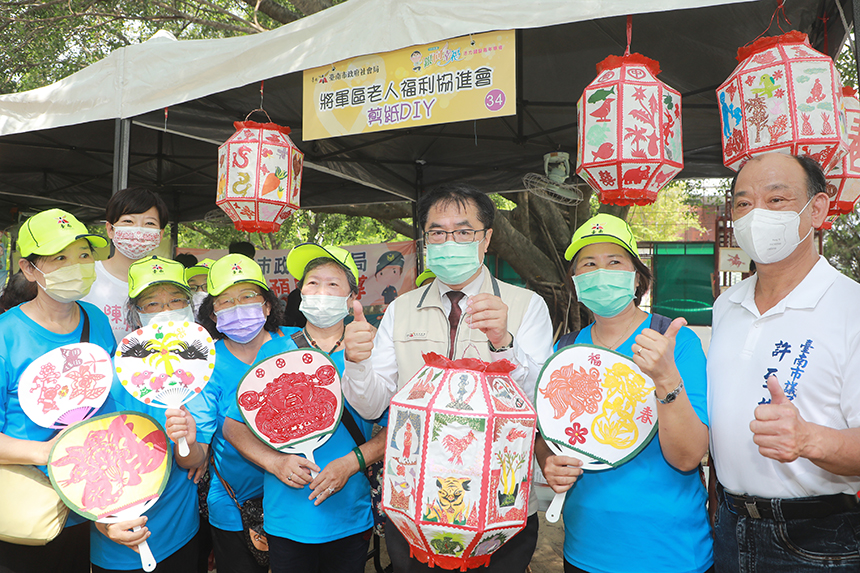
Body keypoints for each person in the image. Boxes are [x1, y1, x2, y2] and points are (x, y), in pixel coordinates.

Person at [342, 183, 553, 573]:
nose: (448, 240)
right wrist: (356, 364)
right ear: (425, 240)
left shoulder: (526, 306)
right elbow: (373, 405)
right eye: (437, 232)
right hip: (415, 510)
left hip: (499, 512)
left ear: (486, 238)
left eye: (463, 231)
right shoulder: (400, 310)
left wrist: (504, 342)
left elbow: (541, 406)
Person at [708, 152, 860, 572]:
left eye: (776, 200)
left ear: (818, 209)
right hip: (729, 527)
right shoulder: (726, 306)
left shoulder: (852, 307)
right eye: (743, 203)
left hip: (819, 539)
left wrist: (810, 439)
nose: (756, 214)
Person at [536, 213, 712, 573]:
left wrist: (664, 377)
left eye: (614, 261)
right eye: (588, 263)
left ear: (636, 276)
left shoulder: (674, 343)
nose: (601, 272)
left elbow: (688, 457)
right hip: (584, 551)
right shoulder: (566, 351)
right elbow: (547, 438)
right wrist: (548, 464)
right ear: (576, 281)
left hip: (670, 554)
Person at [224, 243, 386, 573]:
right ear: (300, 291)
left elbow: (399, 427)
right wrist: (275, 462)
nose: (321, 291)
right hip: (286, 519)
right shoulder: (276, 353)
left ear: (351, 296)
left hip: (349, 516)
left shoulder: (372, 352)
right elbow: (233, 425)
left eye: (333, 284)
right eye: (312, 283)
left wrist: (351, 463)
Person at [0, 209, 114, 573]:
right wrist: (49, 451)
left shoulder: (96, 319)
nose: (76, 266)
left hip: (82, 505)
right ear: (30, 269)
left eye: (83, 255)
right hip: (24, 506)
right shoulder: (6, 334)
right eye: (60, 258)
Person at [92, 255, 205, 572]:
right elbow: (93, 458)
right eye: (152, 304)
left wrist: (190, 442)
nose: (166, 310)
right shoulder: (113, 373)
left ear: (190, 305)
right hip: (119, 536)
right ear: (135, 313)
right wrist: (106, 523)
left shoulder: (202, 368)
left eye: (175, 300)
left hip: (179, 532)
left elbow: (193, 462)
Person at [190, 254, 290, 573]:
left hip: (295, 500)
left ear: (267, 305)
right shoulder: (206, 363)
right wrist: (187, 444)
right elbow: (198, 449)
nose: (238, 307)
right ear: (213, 314)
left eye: (248, 296)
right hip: (233, 506)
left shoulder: (294, 347)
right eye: (226, 301)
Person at [82, 186, 169, 341]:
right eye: (128, 221)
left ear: (160, 234)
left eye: (149, 223)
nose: (139, 231)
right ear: (110, 229)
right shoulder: (85, 275)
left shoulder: (169, 282)